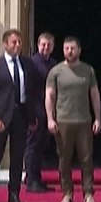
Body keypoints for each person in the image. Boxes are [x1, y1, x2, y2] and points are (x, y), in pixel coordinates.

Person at [0, 29, 38, 202]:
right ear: (5, 44)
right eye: (14, 42)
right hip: (2, 117)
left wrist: (32, 117)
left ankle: (13, 194)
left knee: (17, 158)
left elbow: (31, 92)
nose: (17, 45)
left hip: (21, 116)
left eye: (20, 42)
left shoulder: (27, 64)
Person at [46, 37, 101, 202]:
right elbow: (49, 96)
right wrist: (50, 118)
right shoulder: (56, 71)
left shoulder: (88, 70)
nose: (69, 51)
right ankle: (67, 194)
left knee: (86, 159)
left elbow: (95, 95)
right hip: (63, 122)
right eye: (66, 48)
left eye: (72, 48)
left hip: (84, 121)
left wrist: (98, 118)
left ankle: (88, 194)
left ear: (79, 50)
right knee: (64, 160)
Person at [24, 32, 57, 193]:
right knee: (32, 146)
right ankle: (31, 180)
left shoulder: (54, 64)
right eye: (43, 44)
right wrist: (30, 114)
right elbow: (27, 90)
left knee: (42, 145)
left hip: (48, 111)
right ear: (37, 45)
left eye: (49, 45)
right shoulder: (31, 63)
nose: (46, 47)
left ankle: (37, 176)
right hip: (35, 110)